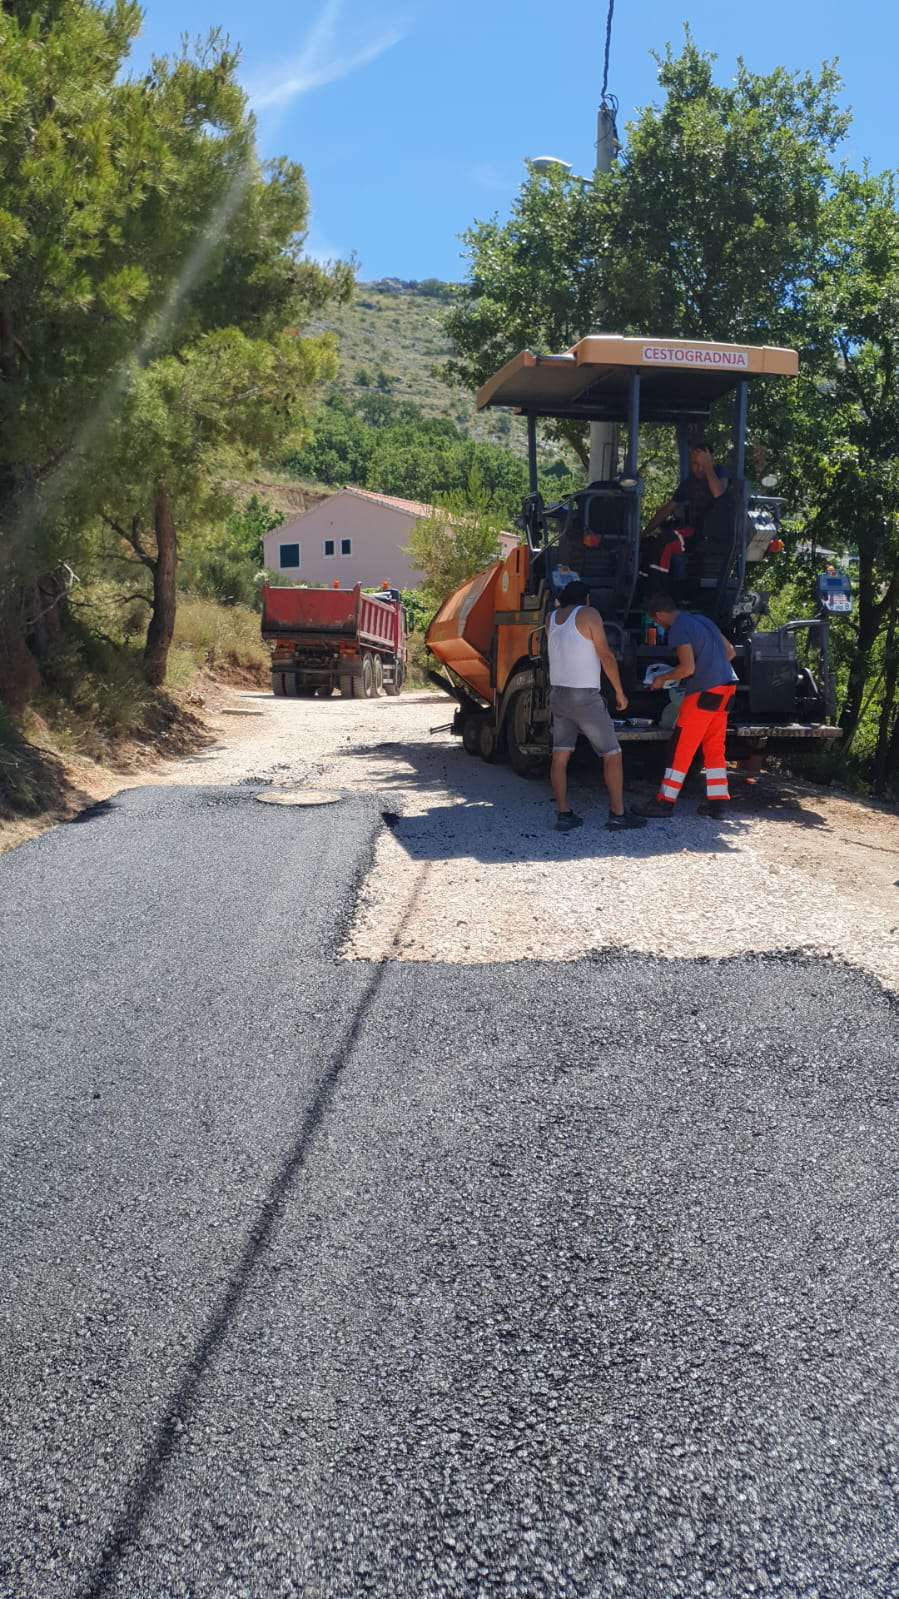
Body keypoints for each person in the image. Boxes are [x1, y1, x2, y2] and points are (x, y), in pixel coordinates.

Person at [546, 581, 646, 833]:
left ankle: (563, 814)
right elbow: (605, 655)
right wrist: (619, 691)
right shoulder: (589, 614)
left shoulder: (551, 618)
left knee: (560, 755)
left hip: (558, 694)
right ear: (587, 598)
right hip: (584, 698)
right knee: (612, 754)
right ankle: (618, 815)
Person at [637, 592, 738, 818]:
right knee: (714, 748)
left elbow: (687, 668)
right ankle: (718, 805)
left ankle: (664, 802)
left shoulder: (679, 628)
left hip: (703, 694)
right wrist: (710, 668)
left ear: (660, 614)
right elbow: (730, 652)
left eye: (655, 621)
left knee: (680, 749)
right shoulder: (702, 620)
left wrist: (661, 679)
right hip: (727, 688)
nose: (657, 625)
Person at [639, 441, 729, 585]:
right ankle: (643, 585)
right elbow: (667, 509)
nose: (699, 468)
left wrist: (708, 466)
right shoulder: (689, 483)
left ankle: (658, 589)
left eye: (703, 463)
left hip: (715, 534)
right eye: (695, 464)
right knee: (651, 542)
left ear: (711, 461)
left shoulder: (720, 473)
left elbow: (718, 492)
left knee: (667, 541)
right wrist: (644, 532)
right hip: (695, 532)